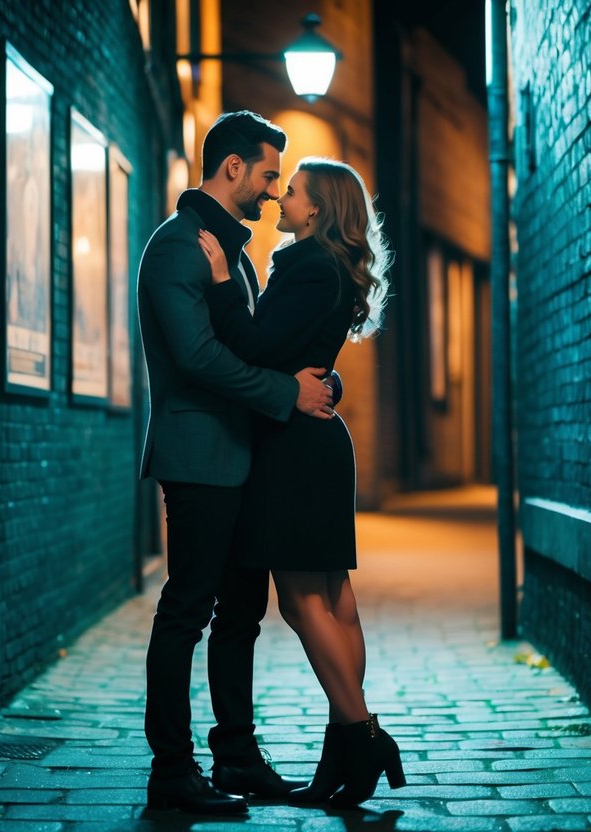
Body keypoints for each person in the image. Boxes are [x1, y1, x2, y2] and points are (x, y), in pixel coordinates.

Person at [137, 110, 338, 815]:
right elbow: (196, 359)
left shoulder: (231, 250)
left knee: (241, 613)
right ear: (231, 168)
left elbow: (255, 344)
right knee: (186, 610)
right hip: (196, 457)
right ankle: (172, 772)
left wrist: (315, 383)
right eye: (266, 173)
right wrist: (287, 393)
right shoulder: (177, 247)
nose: (270, 188)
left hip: (241, 457)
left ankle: (237, 758)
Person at [196, 157, 404, 808]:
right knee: (332, 596)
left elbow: (255, 345)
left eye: (292, 191)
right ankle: (346, 746)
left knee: (300, 601)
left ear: (315, 210)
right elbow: (300, 356)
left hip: (292, 447)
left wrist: (224, 281)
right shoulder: (326, 268)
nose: (282, 198)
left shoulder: (307, 266)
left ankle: (360, 734)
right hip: (313, 441)